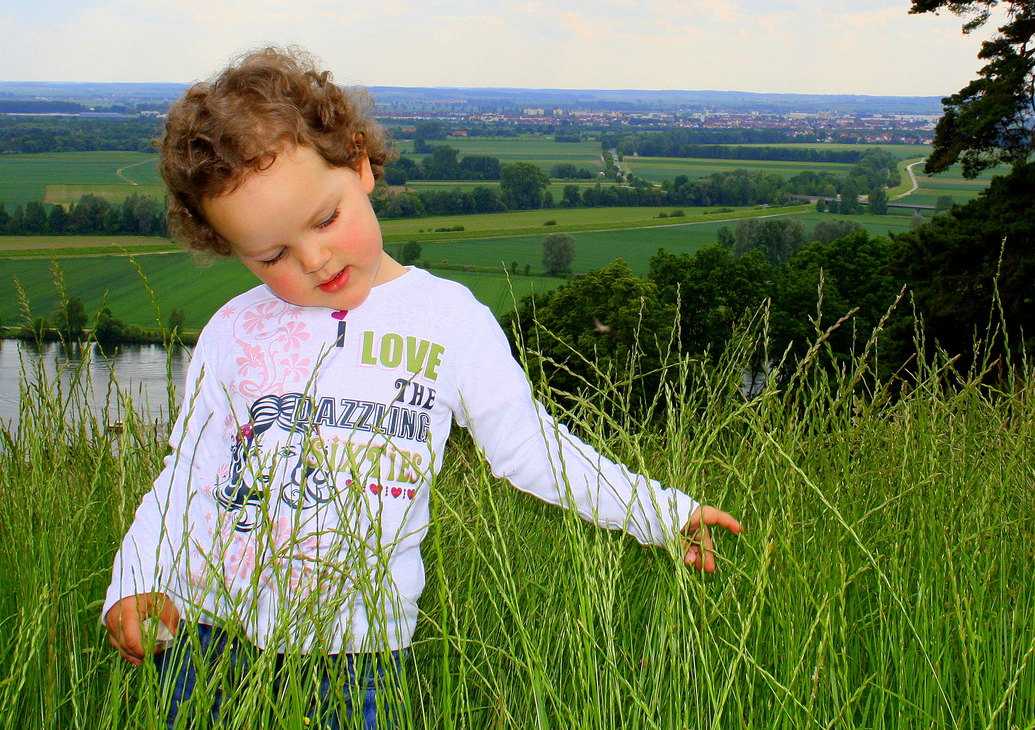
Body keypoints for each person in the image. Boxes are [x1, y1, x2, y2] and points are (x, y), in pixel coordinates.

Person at [102, 46, 740, 727]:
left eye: (323, 220)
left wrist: (656, 511)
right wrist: (135, 581)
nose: (314, 261)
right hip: (207, 642)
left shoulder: (451, 323)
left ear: (360, 163)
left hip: (356, 660)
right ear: (229, 249)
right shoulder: (236, 329)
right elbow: (185, 475)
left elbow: (530, 449)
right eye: (271, 255)